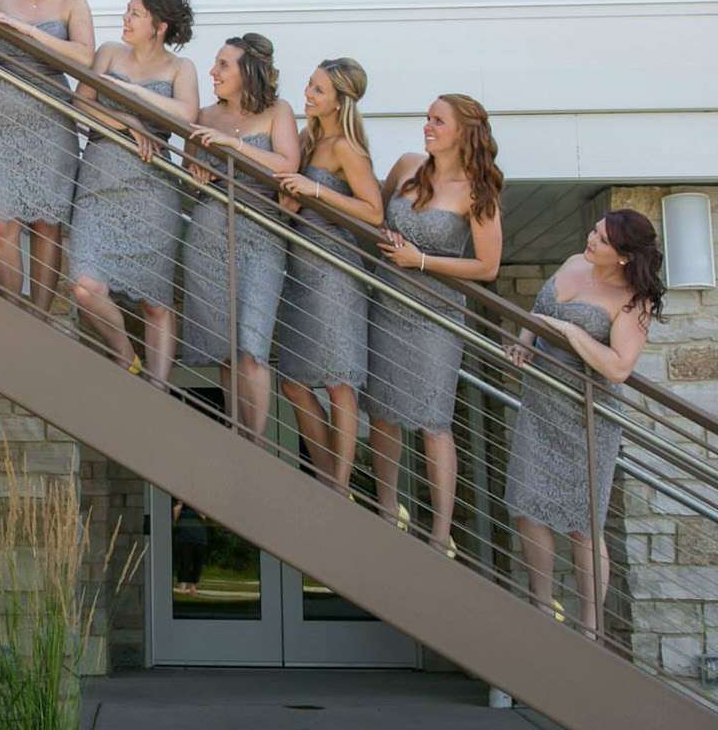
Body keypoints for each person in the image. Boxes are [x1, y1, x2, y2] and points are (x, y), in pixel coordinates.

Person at [505, 209, 663, 632]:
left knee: (583, 523)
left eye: (603, 240)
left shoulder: (634, 301)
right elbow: (538, 312)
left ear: (624, 256)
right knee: (526, 505)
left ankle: (591, 628)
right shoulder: (574, 262)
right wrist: (524, 342)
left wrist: (572, 333)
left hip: (585, 417)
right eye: (594, 231)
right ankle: (542, 606)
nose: (591, 240)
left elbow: (618, 367)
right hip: (540, 405)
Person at [363, 94, 504, 558]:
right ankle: (387, 510)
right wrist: (386, 235)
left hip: (435, 316)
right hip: (386, 301)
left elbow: (487, 266)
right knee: (383, 409)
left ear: (464, 131)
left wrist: (420, 260)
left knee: (433, 419)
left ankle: (441, 533)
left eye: (438, 120)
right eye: (427, 118)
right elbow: (375, 215)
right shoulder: (407, 166)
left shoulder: (478, 192)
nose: (427, 125)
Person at [67, 0, 200, 384]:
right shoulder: (109, 52)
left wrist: (128, 92)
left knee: (156, 302)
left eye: (135, 14)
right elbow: (81, 103)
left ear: (159, 26)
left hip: (153, 192)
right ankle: (126, 356)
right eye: (127, 10)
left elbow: (186, 115)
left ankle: (157, 390)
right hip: (98, 187)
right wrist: (128, 121)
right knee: (85, 287)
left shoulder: (181, 68)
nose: (125, 19)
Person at [179, 35, 299, 439]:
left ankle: (255, 443)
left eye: (223, 65)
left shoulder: (278, 111)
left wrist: (234, 146)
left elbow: (287, 165)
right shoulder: (204, 114)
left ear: (248, 71)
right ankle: (234, 437)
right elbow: (188, 168)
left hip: (261, 236)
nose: (213, 72)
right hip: (209, 234)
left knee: (252, 347)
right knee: (226, 350)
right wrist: (198, 173)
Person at [273, 58, 383, 489]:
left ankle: (339, 483)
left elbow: (373, 212)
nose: (308, 93)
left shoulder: (344, 148)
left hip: (335, 273)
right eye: (309, 85)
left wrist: (315, 190)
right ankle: (327, 476)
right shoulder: (307, 139)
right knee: (293, 382)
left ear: (339, 101)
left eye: (318, 89)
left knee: (339, 382)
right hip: (299, 274)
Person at [0, 0, 94, 317]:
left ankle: (40, 317)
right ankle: (12, 314)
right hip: (1, 124)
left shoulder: (73, 4)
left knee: (47, 222)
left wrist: (25, 31)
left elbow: (84, 58)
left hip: (51, 124)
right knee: (0, 221)